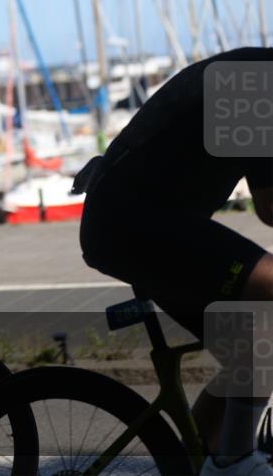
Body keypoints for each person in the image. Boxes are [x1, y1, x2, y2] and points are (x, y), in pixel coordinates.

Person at [79, 47, 273, 475]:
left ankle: (199, 463)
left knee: (254, 356)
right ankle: (234, 461)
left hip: (145, 224)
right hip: (135, 223)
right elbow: (269, 206)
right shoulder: (256, 84)